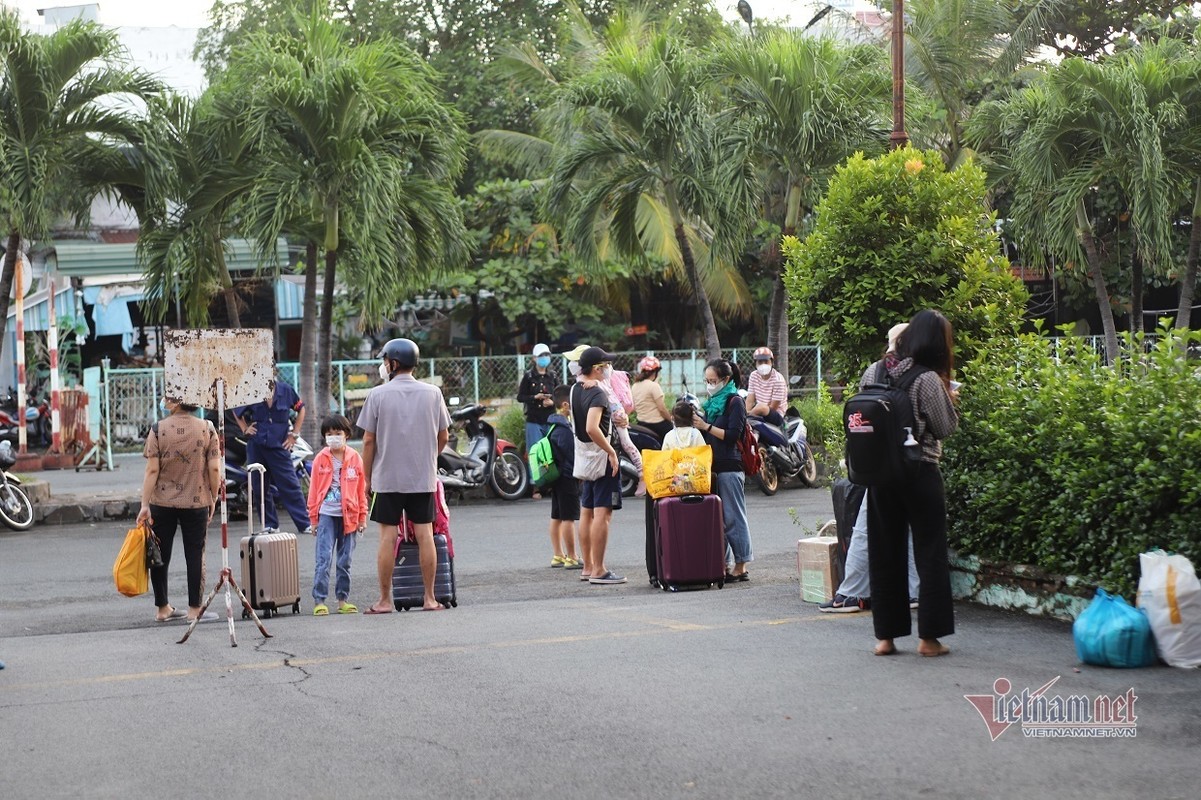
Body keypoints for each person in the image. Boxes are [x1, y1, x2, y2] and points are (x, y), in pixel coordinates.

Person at [862, 309, 959, 657]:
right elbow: (946, 427)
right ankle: (929, 639)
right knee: (929, 552)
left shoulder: (872, 372)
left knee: (884, 552)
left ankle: (885, 639)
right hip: (920, 473)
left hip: (879, 476)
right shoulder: (928, 379)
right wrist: (950, 400)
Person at [821, 323, 919, 613]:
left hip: (876, 466)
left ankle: (850, 593)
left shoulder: (873, 372)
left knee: (864, 529)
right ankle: (915, 592)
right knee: (914, 528)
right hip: (909, 463)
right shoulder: (921, 374)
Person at [359, 338, 451, 614]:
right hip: (422, 478)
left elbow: (368, 441)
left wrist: (367, 479)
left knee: (387, 537)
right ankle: (430, 598)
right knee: (425, 534)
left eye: (386, 360)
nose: (384, 365)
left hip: (387, 478)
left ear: (393, 363)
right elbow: (443, 435)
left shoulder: (377, 394)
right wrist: (427, 458)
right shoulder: (433, 393)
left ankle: (385, 600)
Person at [138, 396, 223, 624]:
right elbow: (214, 468)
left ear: (177, 403)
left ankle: (163, 608)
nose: (165, 401)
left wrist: (145, 505)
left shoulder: (157, 429)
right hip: (196, 502)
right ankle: (194, 610)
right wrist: (213, 497)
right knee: (194, 554)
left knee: (160, 554)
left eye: (169, 398)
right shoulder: (207, 429)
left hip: (161, 502)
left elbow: (151, 471)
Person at [571, 346, 625, 585]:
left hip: (585, 458)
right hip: (602, 459)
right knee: (603, 514)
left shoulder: (575, 389)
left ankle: (588, 566)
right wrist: (611, 451)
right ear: (596, 368)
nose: (608, 369)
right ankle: (599, 570)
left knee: (587, 511)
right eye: (605, 365)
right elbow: (592, 427)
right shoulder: (598, 394)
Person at [695, 359, 753, 582]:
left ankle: (741, 565)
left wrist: (706, 426)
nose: (709, 384)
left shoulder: (735, 401)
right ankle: (724, 563)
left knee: (734, 517)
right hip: (713, 466)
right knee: (718, 519)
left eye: (713, 380)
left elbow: (732, 435)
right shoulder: (713, 401)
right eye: (707, 381)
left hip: (730, 465)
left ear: (726, 379)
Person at [306, 415, 367, 616]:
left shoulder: (355, 458)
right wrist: (313, 519)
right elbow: (314, 490)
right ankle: (319, 600)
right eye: (329, 434)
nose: (333, 437)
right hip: (326, 515)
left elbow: (361, 490)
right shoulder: (320, 460)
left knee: (345, 560)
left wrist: (362, 517)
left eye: (338, 433)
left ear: (347, 435)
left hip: (349, 516)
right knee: (323, 558)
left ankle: (342, 600)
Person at [235, 376, 310, 534]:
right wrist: (244, 428)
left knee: (290, 484)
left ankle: (305, 523)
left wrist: (294, 434)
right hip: (257, 445)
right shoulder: (251, 390)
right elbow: (236, 409)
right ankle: (270, 524)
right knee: (259, 486)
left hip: (279, 445)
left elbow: (301, 408)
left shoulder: (285, 390)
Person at [546, 385, 582, 569]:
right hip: (567, 476)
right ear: (566, 405)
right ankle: (572, 556)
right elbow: (571, 454)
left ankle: (558, 554)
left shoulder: (552, 425)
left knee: (557, 516)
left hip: (556, 476)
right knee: (568, 517)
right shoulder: (564, 428)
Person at [517, 343, 558, 492]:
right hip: (534, 419)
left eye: (547, 355)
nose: (544, 358)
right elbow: (520, 397)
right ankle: (536, 485)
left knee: (552, 451)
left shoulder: (553, 375)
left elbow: (559, 395)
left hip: (550, 418)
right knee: (535, 452)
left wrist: (552, 401)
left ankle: (553, 483)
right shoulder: (528, 376)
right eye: (541, 356)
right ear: (534, 359)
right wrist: (535, 397)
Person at [631, 355, 673, 440]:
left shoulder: (635, 386)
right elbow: (662, 409)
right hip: (657, 424)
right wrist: (671, 419)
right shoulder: (654, 386)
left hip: (641, 423)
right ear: (655, 372)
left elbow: (634, 407)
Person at [746, 346, 788, 426]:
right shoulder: (753, 376)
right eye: (760, 362)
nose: (763, 365)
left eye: (766, 361)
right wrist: (746, 410)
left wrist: (750, 414)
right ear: (755, 364)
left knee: (762, 407)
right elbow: (750, 400)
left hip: (776, 414)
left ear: (771, 362)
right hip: (758, 412)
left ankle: (746, 419)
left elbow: (773, 408)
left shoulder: (778, 380)